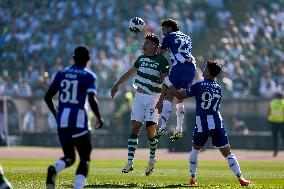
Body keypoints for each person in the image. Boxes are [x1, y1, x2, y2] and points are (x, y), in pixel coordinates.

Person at [164, 60, 250, 186]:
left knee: (195, 149)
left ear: (209, 73)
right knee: (227, 153)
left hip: (202, 123)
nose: (203, 71)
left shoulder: (199, 85)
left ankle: (192, 178)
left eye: (205, 69)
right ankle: (241, 178)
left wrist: (167, 82)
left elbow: (179, 95)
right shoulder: (218, 88)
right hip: (217, 123)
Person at [44, 46, 103, 189]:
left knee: (69, 157)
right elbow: (91, 99)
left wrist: (56, 114)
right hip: (79, 120)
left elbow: (47, 97)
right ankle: (78, 187)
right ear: (88, 59)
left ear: (73, 58)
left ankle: (54, 168)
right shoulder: (89, 75)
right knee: (85, 158)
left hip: (62, 120)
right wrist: (98, 117)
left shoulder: (61, 73)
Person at [111, 33, 169, 176]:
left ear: (155, 46)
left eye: (147, 43)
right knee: (135, 126)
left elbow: (165, 83)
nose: (144, 45)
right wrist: (117, 83)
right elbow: (130, 72)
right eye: (144, 43)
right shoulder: (141, 59)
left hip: (153, 98)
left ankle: (152, 159)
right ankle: (130, 162)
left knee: (150, 131)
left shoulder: (162, 61)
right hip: (139, 97)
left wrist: (161, 100)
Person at [154, 19, 196, 141]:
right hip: (191, 68)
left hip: (179, 66)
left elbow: (161, 53)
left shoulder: (169, 36)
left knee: (169, 93)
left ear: (169, 28)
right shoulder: (187, 37)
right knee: (180, 98)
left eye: (163, 29)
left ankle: (162, 128)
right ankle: (179, 129)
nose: (162, 31)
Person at [267, 92, 284, 157]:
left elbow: (269, 111)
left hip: (273, 122)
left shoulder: (272, 102)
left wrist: (269, 119)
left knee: (275, 138)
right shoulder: (283, 102)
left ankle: (275, 151)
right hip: (281, 122)